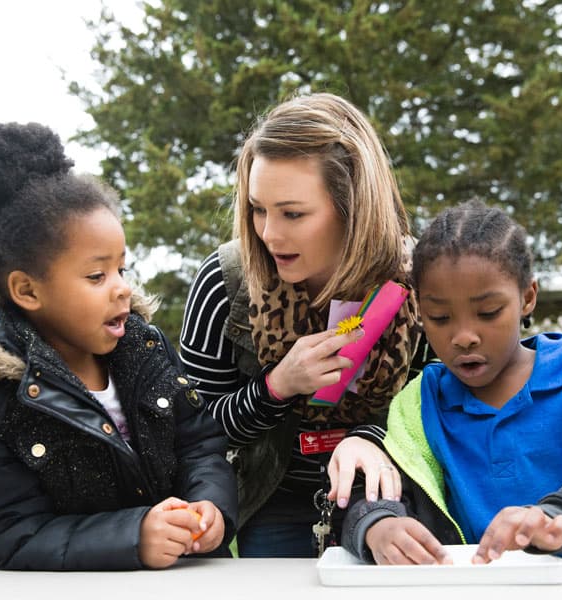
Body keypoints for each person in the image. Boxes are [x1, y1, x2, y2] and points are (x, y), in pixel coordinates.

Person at [0, 122, 237, 570]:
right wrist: (131, 537)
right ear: (27, 291)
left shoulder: (147, 349)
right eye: (97, 276)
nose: (121, 288)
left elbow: (201, 447)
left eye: (122, 268)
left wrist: (210, 504)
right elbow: (8, 533)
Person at [337, 199, 562, 565]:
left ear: (528, 297)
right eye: (440, 317)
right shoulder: (420, 405)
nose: (464, 336)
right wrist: (378, 525)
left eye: (488, 313)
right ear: (420, 309)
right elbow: (371, 495)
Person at [180, 92, 428, 558]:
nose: (269, 233)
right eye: (258, 209)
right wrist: (275, 388)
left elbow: (444, 412)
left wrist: (372, 439)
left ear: (352, 204)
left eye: (293, 213)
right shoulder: (224, 281)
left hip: (390, 502)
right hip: (270, 504)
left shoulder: (423, 283)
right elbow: (193, 433)